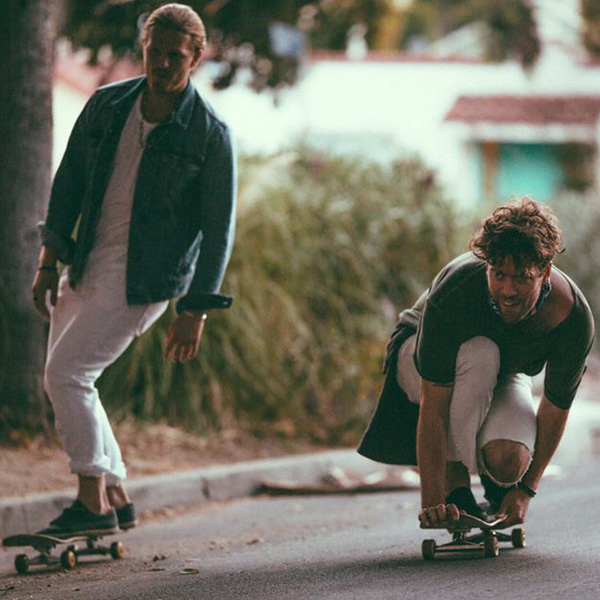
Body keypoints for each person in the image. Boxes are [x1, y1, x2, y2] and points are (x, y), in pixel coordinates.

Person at [31, 3, 236, 536]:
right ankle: (116, 493)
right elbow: (69, 182)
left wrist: (196, 309)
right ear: (142, 48)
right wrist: (48, 261)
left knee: (67, 375)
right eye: (154, 52)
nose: (162, 64)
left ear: (196, 57)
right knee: (74, 379)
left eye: (175, 56)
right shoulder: (106, 106)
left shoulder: (208, 134)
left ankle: (90, 502)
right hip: (85, 263)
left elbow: (218, 232)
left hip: (144, 281)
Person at [358, 197, 594, 528]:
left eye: (522, 278)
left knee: (511, 459)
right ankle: (457, 487)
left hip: (501, 373)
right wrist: (434, 500)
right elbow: (434, 406)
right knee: (482, 353)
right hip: (418, 359)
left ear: (546, 271)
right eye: (499, 274)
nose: (508, 290)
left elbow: (555, 409)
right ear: (487, 265)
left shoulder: (572, 318)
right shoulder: (457, 290)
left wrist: (525, 490)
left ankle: (498, 492)